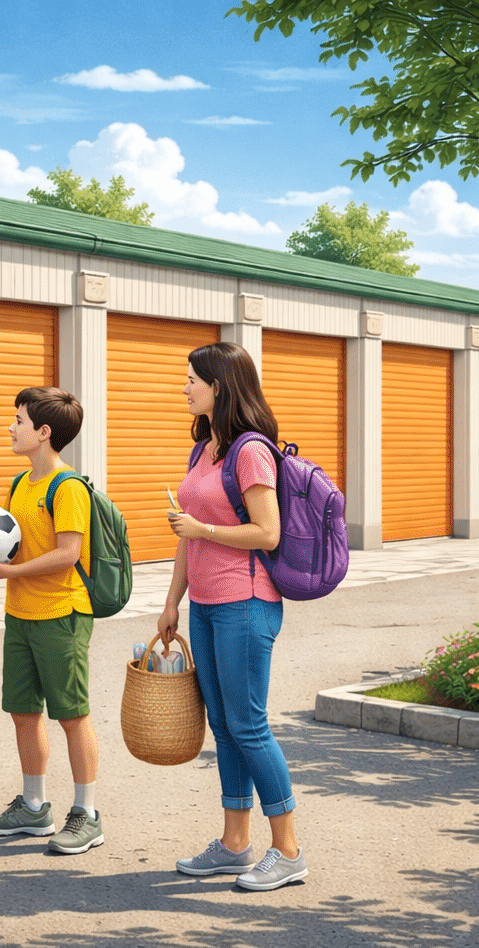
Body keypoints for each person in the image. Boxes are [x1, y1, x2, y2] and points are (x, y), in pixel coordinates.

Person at [158, 342, 306, 891]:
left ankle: (288, 850)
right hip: (204, 605)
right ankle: (235, 844)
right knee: (223, 727)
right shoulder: (204, 450)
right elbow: (183, 534)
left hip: (247, 603)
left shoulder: (250, 451)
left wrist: (204, 532)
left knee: (248, 725)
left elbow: (266, 532)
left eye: (192, 378)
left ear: (220, 385)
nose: (185, 386)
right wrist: (172, 601)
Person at [0, 386, 105, 855]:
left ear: (44, 433)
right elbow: (20, 545)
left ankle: (87, 814)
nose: (11, 426)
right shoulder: (20, 484)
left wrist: (11, 571)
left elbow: (68, 554)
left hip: (61, 614)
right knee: (23, 712)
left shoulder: (67, 488)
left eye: (19, 420)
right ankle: (34, 806)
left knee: (72, 715)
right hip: (20, 614)